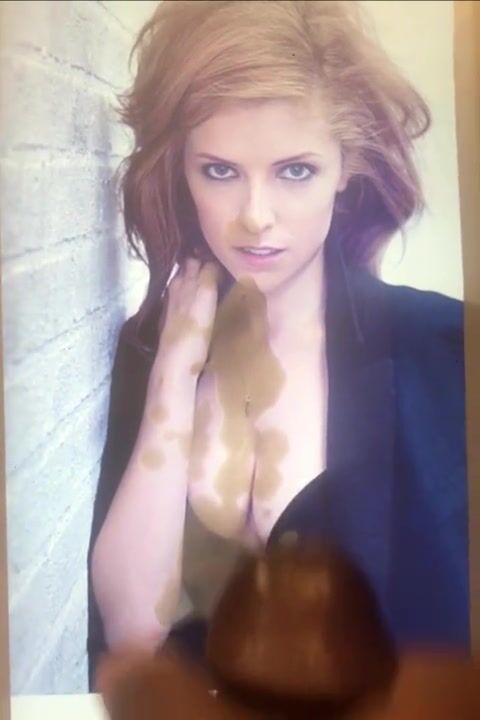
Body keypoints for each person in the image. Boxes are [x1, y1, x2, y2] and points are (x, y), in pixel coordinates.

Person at [87, 0, 470, 691]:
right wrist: (175, 371)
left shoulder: (444, 346)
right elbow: (135, 634)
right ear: (180, 170)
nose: (255, 217)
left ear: (346, 167)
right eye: (220, 171)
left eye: (295, 171)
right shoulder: (150, 351)